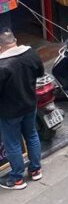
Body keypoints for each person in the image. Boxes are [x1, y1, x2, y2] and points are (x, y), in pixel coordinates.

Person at [0, 30, 44, 190]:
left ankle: (17, 178)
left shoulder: (1, 65)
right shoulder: (31, 54)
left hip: (9, 112)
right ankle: (35, 169)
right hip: (30, 104)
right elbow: (40, 73)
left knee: (12, 144)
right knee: (32, 135)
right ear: (15, 40)